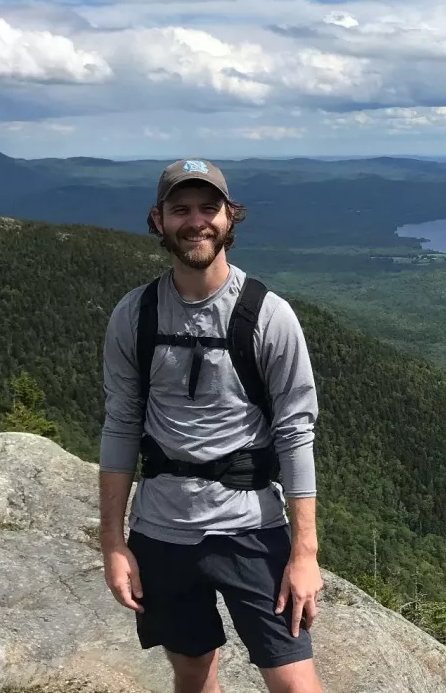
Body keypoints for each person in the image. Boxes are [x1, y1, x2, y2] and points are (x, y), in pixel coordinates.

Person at [97, 158, 324, 693]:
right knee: (194, 675)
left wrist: (305, 554)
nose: (195, 221)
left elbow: (296, 431)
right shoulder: (135, 316)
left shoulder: (267, 316)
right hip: (161, 532)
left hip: (251, 526)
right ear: (158, 220)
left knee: (295, 683)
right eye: (181, 210)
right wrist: (113, 542)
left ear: (230, 218)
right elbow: (121, 424)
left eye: (208, 208)